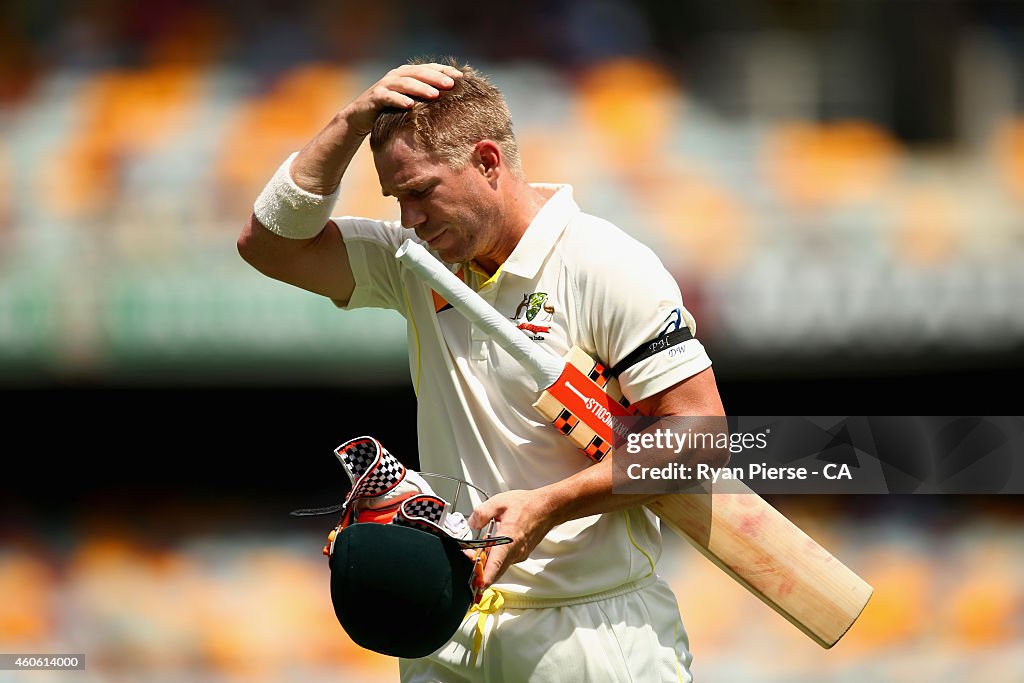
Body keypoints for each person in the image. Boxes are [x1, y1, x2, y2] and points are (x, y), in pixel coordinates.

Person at [238, 58, 727, 683]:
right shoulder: (414, 259)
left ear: (488, 162)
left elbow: (700, 435)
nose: (407, 217)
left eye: (419, 192)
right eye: (396, 199)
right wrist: (349, 121)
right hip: (450, 627)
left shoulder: (605, 265)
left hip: (589, 634)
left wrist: (548, 505)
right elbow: (268, 243)